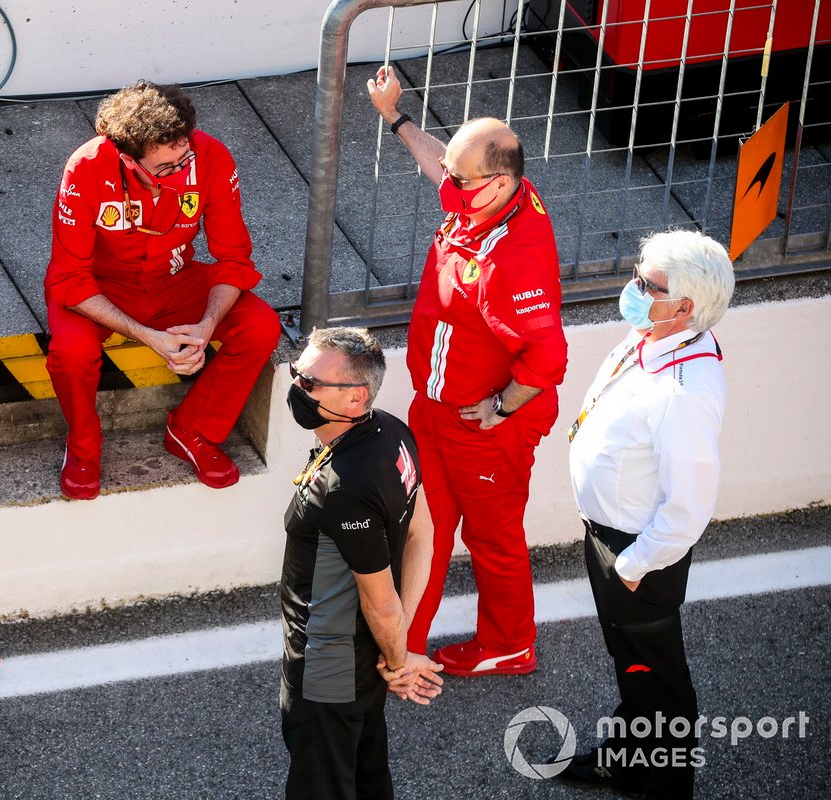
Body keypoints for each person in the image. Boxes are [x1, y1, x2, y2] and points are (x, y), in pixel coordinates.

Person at [366, 66, 568, 675]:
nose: (446, 188)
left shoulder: (517, 260)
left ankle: (509, 644)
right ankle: (404, 647)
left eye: (461, 181)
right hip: (436, 412)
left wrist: (503, 405)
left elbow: (549, 360)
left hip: (484, 427)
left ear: (500, 182)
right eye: (451, 175)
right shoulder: (483, 198)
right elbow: (442, 164)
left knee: (492, 540)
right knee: (422, 527)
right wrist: (396, 117)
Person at [560, 230, 734, 799]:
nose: (632, 288)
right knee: (633, 661)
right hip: (612, 536)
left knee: (656, 674)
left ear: (684, 307)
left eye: (646, 284)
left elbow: (689, 506)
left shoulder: (685, 390)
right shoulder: (652, 336)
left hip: (637, 550)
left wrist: (633, 565)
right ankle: (631, 759)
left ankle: (665, 784)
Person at [46, 80, 281, 499]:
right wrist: (149, 337)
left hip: (175, 278)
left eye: (183, 157)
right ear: (129, 160)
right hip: (97, 290)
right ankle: (84, 446)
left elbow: (233, 259)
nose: (179, 170)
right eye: (166, 167)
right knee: (69, 353)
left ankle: (192, 431)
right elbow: (69, 277)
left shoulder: (211, 156)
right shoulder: (85, 167)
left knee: (261, 325)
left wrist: (208, 325)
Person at [280, 326, 444, 800]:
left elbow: (383, 603)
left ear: (355, 398)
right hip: (364, 654)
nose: (296, 388)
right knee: (367, 772)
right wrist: (396, 651)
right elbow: (423, 535)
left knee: (323, 783)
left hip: (328, 661)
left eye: (309, 383)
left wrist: (397, 660)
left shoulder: (345, 485)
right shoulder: (391, 431)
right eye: (296, 373)